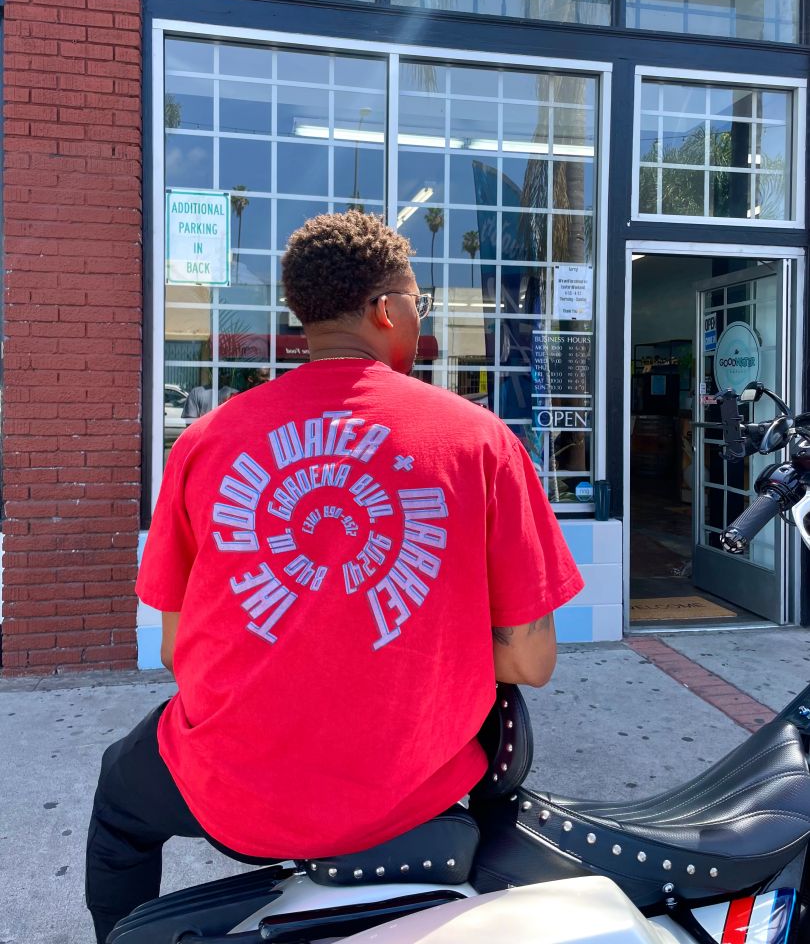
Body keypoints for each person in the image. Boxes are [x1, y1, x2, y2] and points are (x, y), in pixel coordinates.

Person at [85, 210, 584, 942]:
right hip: (410, 791)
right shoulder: (481, 442)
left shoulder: (204, 441)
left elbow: (174, 649)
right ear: (385, 310)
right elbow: (531, 661)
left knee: (119, 805)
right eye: (418, 302)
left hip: (232, 790)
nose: (422, 317)